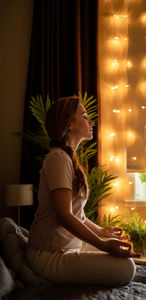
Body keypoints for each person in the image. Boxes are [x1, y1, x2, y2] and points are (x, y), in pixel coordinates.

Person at [25, 96, 137, 287]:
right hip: (49, 254)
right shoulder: (58, 159)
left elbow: (78, 216)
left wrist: (102, 231)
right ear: (68, 124)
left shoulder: (69, 160)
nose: (91, 121)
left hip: (68, 245)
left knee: (126, 258)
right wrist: (102, 244)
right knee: (126, 269)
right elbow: (64, 215)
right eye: (84, 116)